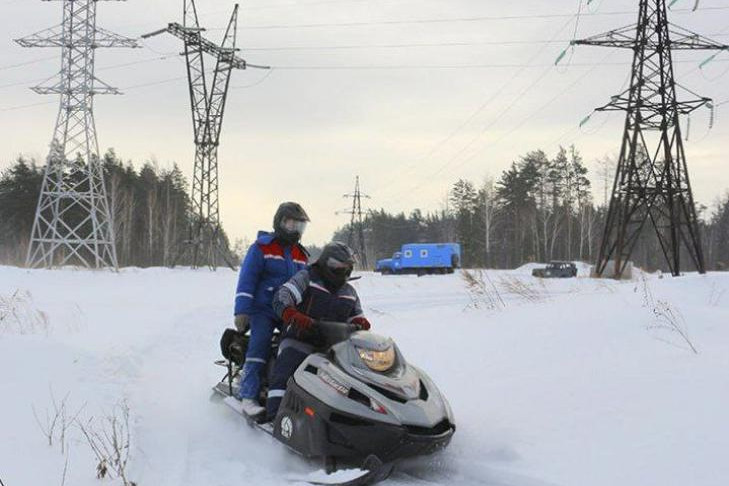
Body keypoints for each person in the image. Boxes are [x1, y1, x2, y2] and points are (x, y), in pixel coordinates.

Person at [265, 242, 371, 421]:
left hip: (334, 346)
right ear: (326, 263)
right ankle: (274, 416)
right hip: (300, 338)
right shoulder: (307, 278)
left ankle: (353, 418)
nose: (343, 271)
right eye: (338, 266)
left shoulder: (349, 291)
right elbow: (283, 295)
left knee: (357, 377)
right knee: (287, 367)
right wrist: (292, 314)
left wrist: (361, 323)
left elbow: (356, 315)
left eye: (348, 267)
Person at [233, 202, 310, 417]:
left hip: (289, 311)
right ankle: (248, 396)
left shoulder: (301, 255)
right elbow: (247, 280)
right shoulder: (262, 247)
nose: (296, 230)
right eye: (292, 224)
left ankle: (294, 394)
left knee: (299, 347)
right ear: (280, 222)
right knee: (259, 344)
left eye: (300, 226)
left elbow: (306, 285)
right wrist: (242, 311)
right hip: (263, 310)